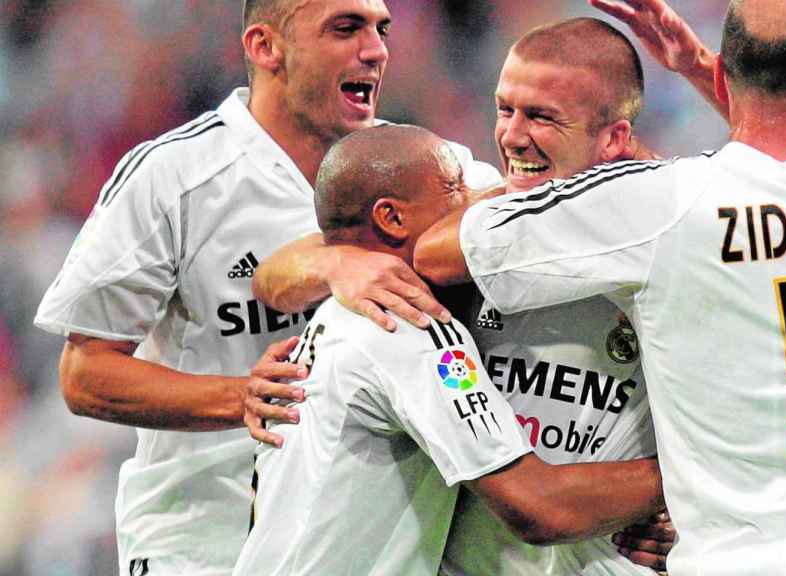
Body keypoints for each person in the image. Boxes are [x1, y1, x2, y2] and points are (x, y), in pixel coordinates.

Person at [249, 12, 786, 576]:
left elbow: (768, 176)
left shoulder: (659, 217)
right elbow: (301, 260)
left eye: (542, 118)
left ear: (614, 138)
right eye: (505, 108)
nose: (512, 137)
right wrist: (338, 266)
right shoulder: (469, 196)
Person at [33, 1, 498, 574]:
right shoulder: (174, 176)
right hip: (202, 549)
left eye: (382, 29)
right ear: (264, 46)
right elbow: (85, 374)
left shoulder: (427, 168)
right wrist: (242, 396)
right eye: (346, 28)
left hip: (360, 550)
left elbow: (535, 216)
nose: (376, 50)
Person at [233, 124, 666, 576]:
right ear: (392, 218)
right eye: (456, 188)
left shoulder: (332, 314)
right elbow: (539, 506)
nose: (472, 205)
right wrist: (688, 475)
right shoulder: (410, 329)